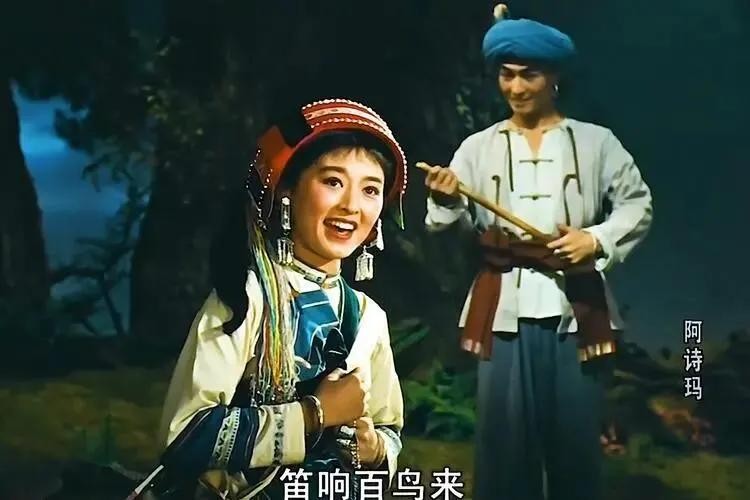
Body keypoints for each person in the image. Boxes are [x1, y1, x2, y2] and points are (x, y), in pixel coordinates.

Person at [423, 5, 652, 500]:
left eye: (529, 75)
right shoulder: (477, 147)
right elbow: (447, 225)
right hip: (503, 310)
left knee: (575, 448)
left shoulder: (596, 143)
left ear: (554, 77)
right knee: (503, 449)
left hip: (576, 310)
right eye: (506, 75)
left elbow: (637, 205)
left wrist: (595, 240)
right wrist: (446, 200)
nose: (516, 87)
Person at [154, 99, 407, 499]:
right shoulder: (246, 298)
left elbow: (389, 431)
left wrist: (373, 447)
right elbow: (184, 435)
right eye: (333, 182)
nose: (351, 206)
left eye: (370, 190)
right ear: (288, 189)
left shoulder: (368, 318)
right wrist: (313, 415)